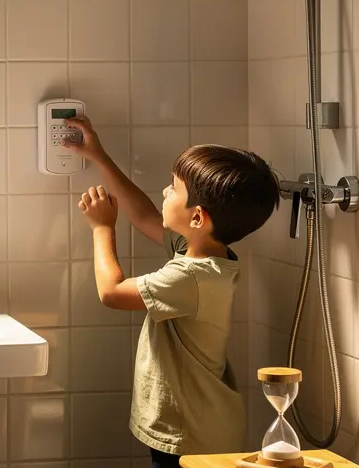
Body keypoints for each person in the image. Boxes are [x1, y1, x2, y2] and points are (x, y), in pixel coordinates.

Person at [63, 116, 281, 468]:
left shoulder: (191, 276)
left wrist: (102, 227)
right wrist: (99, 156)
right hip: (200, 423)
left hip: (188, 433)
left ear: (197, 218)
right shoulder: (207, 253)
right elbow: (146, 216)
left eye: (173, 188)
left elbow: (113, 293)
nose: (165, 192)